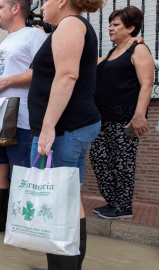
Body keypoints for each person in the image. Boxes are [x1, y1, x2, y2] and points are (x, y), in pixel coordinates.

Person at [28, 0, 104, 268]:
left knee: (57, 204)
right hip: (69, 127)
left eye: (45, 0)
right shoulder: (73, 26)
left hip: (63, 129)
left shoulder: (70, 24)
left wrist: (48, 127)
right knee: (69, 199)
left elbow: (67, 76)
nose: (42, 6)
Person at [0, 0, 48, 236]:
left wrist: (6, 82)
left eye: (1, 6)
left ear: (16, 9)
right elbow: (3, 75)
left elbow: (46, 72)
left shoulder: (34, 36)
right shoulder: (5, 41)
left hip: (22, 119)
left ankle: (24, 228)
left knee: (21, 174)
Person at [90, 6, 154, 220]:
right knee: (99, 159)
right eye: (110, 24)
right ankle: (112, 203)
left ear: (131, 27)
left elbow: (147, 84)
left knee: (123, 164)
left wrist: (139, 115)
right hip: (103, 119)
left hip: (125, 120)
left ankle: (124, 207)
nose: (110, 28)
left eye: (116, 24)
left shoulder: (138, 49)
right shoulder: (112, 52)